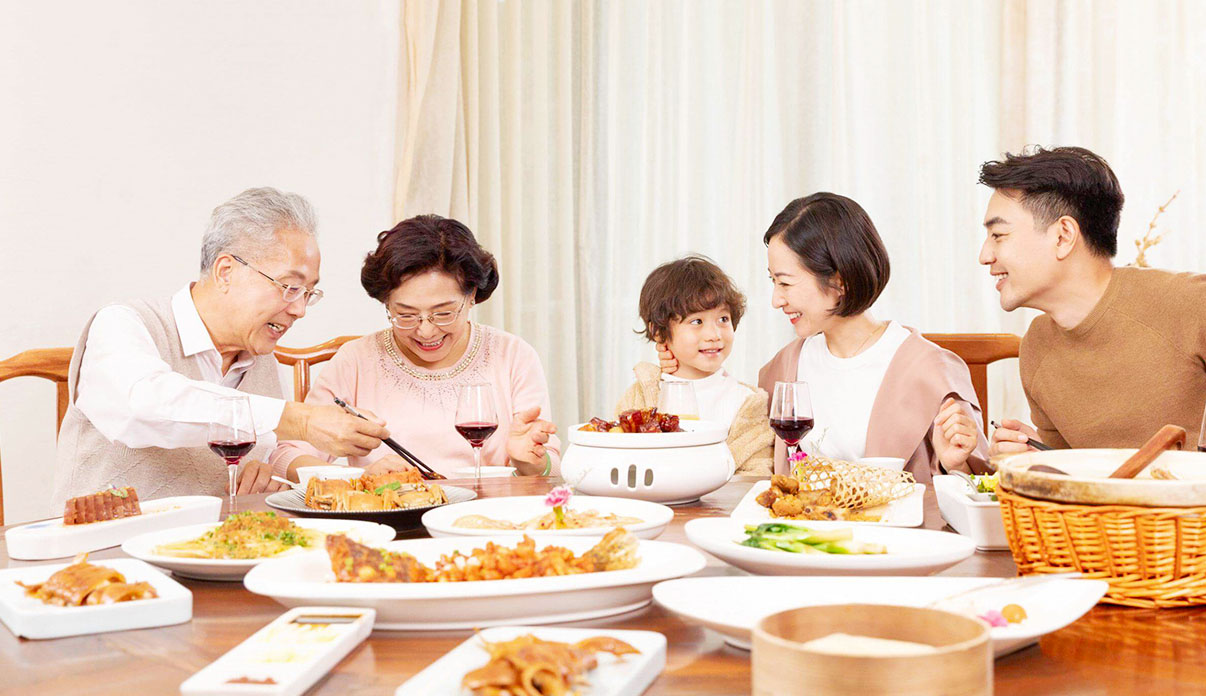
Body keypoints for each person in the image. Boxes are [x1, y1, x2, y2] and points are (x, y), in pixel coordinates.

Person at [51, 187, 389, 506]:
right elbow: (145, 404)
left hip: (207, 553)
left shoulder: (257, 353)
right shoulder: (123, 323)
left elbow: (267, 449)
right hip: (102, 555)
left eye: (308, 293)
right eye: (289, 287)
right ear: (226, 272)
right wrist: (300, 419)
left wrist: (340, 479)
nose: (299, 309)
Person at [979, 146, 1206, 464]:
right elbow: (1081, 476)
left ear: (1063, 236)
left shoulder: (1193, 305)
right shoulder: (1037, 347)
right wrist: (1031, 458)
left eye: (998, 235)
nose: (985, 255)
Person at [267, 215, 559, 479]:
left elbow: (550, 468)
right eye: (405, 315)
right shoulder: (356, 361)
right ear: (386, 303)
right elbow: (287, 454)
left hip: (487, 525)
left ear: (472, 296)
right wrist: (358, 479)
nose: (426, 330)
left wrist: (530, 461)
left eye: (443, 313)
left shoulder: (512, 356)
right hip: (391, 526)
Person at [756, 193, 990, 483]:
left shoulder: (931, 369)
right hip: (805, 528)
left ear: (840, 280)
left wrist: (954, 465)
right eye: (773, 281)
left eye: (785, 282)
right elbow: (748, 447)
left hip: (903, 529)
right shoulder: (785, 366)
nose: (776, 299)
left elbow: (981, 491)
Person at [616, 256, 773, 475]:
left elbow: (757, 475)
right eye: (697, 321)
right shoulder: (640, 396)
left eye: (723, 319)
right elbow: (616, 459)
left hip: (720, 509)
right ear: (659, 332)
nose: (714, 335)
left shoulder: (746, 403)